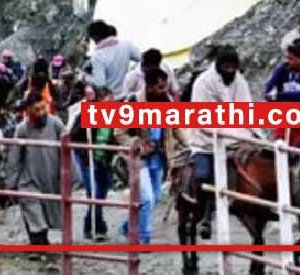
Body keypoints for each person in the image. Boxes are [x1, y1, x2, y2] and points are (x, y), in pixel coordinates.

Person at [188, 45, 255, 237]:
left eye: (233, 67)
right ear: (219, 66)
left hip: (236, 137)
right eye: (226, 67)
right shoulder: (203, 83)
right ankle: (204, 215)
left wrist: (249, 134)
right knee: (203, 175)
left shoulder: (239, 81)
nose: (230, 71)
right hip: (206, 140)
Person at [116, 68, 183, 244]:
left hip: (159, 159)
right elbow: (119, 132)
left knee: (153, 200)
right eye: (160, 87)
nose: (164, 91)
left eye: (165, 86)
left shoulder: (167, 102)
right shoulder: (132, 103)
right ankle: (143, 238)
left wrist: (190, 144)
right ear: (150, 87)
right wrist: (137, 144)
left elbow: (176, 128)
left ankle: (127, 226)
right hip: (139, 159)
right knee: (145, 199)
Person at [5, 91, 65, 245]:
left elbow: (67, 149)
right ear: (29, 110)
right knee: (33, 211)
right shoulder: (22, 129)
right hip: (29, 180)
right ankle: (38, 244)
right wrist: (11, 184)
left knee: (48, 213)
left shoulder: (56, 124)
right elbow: (15, 157)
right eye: (36, 110)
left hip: (51, 177)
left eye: (43, 108)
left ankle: (41, 243)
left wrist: (69, 176)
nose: (41, 113)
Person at [67, 84, 115, 240]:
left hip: (104, 161)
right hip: (88, 160)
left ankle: (94, 224)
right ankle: (95, 227)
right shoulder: (86, 115)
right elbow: (73, 135)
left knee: (101, 195)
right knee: (93, 194)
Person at [88, 20, 140, 94]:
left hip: (110, 99)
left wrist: (86, 78)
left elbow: (100, 83)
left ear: (94, 37)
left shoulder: (97, 55)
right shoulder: (125, 45)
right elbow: (142, 58)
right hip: (126, 94)